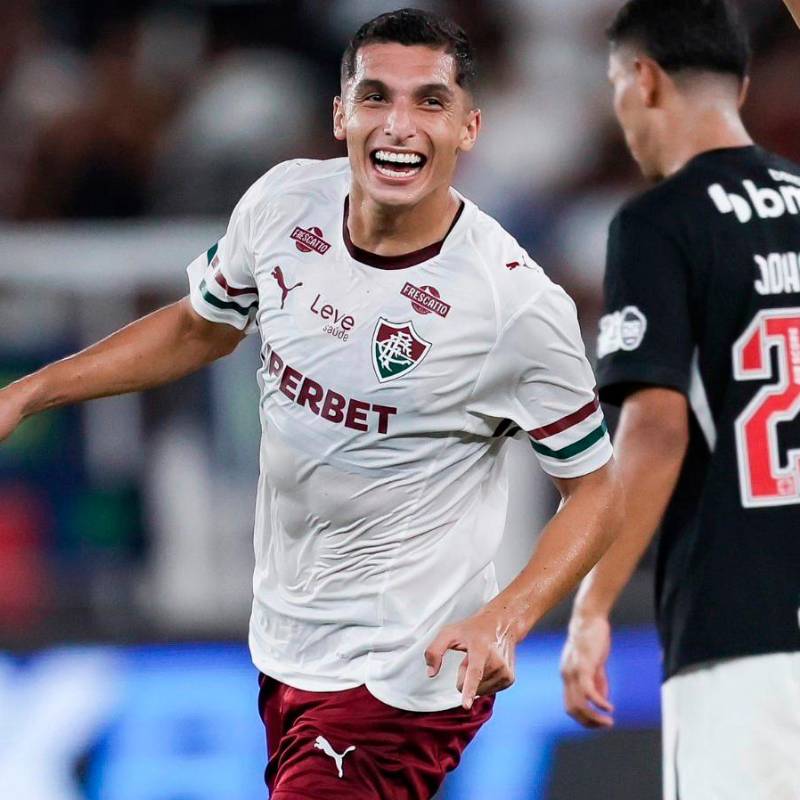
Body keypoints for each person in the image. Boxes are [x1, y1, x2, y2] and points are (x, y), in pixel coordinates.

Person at [0, 9, 623, 799]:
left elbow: (595, 490)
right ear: (340, 114)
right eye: (376, 96)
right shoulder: (284, 203)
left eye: (430, 101)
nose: (399, 125)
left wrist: (508, 616)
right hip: (290, 644)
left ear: (469, 127)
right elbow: (199, 328)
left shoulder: (514, 304)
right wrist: (31, 391)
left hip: (402, 671)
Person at [560, 1, 800, 798]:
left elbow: (657, 430)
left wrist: (594, 604)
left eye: (614, 86)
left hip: (740, 630)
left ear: (644, 78)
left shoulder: (659, 223)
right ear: (743, 84)